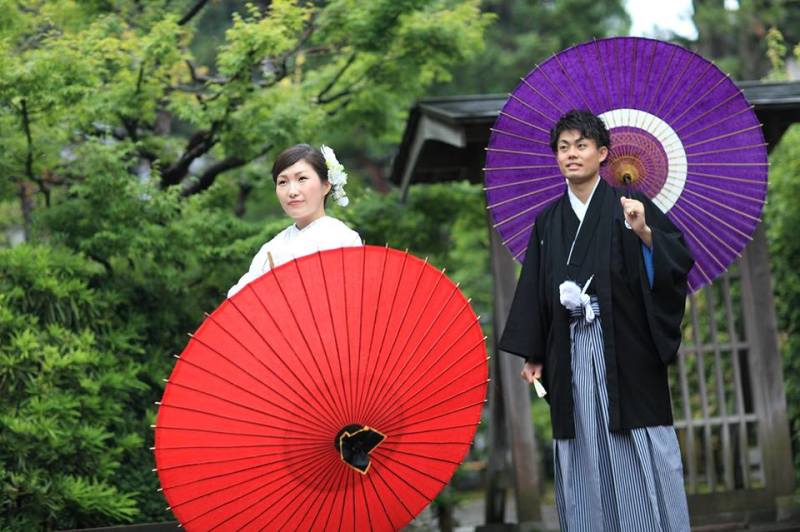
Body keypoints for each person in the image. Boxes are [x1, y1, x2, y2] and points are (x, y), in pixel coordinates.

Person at [498, 110, 694, 531]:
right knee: (583, 442)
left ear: (602, 153)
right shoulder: (548, 222)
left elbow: (675, 264)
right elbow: (536, 287)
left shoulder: (631, 207)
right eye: (563, 147)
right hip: (570, 350)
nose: (571, 154)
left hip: (626, 348)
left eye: (581, 146)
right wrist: (535, 352)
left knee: (637, 439)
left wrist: (644, 233)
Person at [227, 144, 362, 298]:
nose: (292, 192)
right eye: (282, 182)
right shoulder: (271, 249)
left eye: (302, 179)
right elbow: (239, 298)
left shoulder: (343, 239)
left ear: (325, 185)